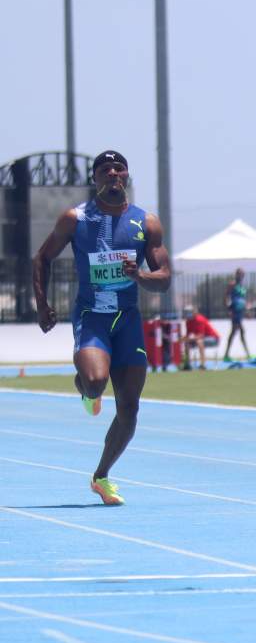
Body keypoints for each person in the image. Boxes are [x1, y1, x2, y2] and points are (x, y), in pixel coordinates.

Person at [31, 151, 171, 505]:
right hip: (92, 315)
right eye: (104, 169)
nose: (112, 173)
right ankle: (87, 391)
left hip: (127, 320)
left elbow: (164, 279)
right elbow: (42, 258)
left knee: (129, 406)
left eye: (118, 168)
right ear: (95, 178)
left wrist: (139, 275)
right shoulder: (75, 218)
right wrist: (42, 305)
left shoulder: (146, 222)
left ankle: (101, 476)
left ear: (126, 175)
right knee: (95, 381)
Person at [223, 268, 251, 361]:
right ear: (236, 274)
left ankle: (227, 355)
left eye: (242, 274)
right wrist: (229, 309)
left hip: (240, 312)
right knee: (240, 331)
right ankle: (247, 354)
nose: (240, 276)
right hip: (234, 311)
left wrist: (246, 311)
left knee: (235, 332)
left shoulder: (242, 286)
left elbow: (243, 299)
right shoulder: (232, 284)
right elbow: (226, 297)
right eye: (239, 274)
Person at [182, 305, 219, 370]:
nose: (187, 314)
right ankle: (187, 364)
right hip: (199, 338)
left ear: (194, 312)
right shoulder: (188, 321)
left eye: (189, 312)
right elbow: (188, 334)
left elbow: (201, 335)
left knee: (199, 341)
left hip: (213, 339)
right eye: (186, 312)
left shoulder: (199, 320)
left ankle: (202, 364)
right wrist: (183, 339)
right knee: (186, 343)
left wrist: (190, 339)